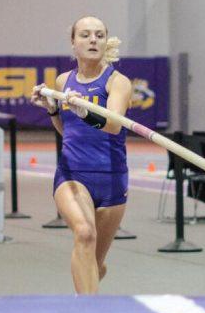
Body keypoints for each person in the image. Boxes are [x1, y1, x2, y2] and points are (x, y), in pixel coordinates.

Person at [31, 16, 132, 295]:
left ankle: (90, 282)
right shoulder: (64, 81)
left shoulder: (118, 83)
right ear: (73, 43)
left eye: (99, 35)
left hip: (112, 179)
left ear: (105, 42)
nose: (92, 40)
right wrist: (53, 109)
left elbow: (112, 125)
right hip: (73, 175)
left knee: (95, 265)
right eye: (85, 35)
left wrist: (84, 110)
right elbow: (68, 131)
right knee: (85, 234)